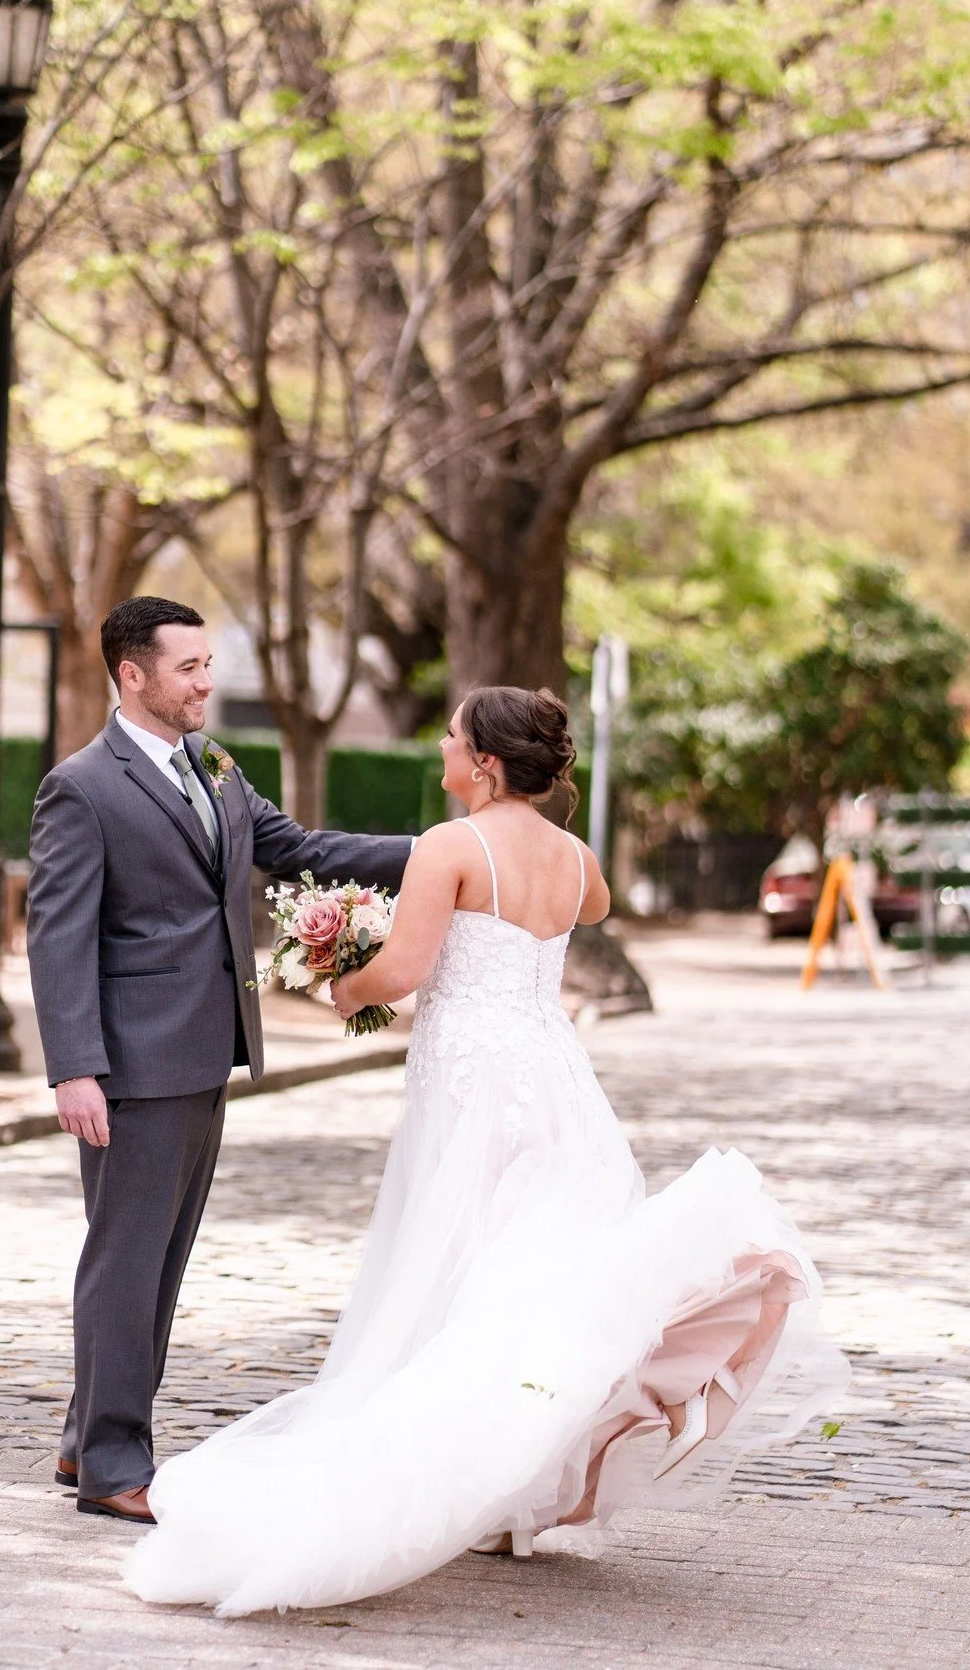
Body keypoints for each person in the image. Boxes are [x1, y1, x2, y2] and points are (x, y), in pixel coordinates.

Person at [126, 684, 848, 1614]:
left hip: (470, 1085)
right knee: (535, 1275)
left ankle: (449, 1478)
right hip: (553, 1077)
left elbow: (406, 972)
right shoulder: (576, 857)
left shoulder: (450, 847)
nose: (441, 743)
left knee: (457, 1267)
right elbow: (590, 908)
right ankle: (508, 1493)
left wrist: (340, 983)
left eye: (454, 736)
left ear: (487, 764)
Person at [25, 596, 413, 1525]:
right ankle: (118, 1465)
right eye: (190, 667)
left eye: (207, 664)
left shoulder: (215, 761)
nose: (208, 681)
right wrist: (74, 1066)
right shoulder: (81, 786)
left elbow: (298, 850)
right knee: (125, 1262)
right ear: (134, 676)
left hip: (207, 1052)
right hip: (131, 1063)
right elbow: (57, 934)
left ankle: (88, 1440)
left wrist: (443, 852)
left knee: (159, 1259)